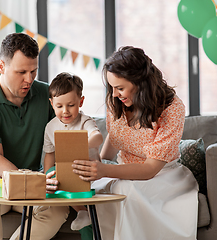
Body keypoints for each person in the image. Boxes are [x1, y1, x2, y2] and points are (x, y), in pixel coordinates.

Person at [72, 46, 199, 240]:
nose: (114, 94)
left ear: (140, 83)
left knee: (123, 190)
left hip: (162, 177)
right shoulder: (117, 101)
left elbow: (150, 169)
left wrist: (104, 170)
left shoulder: (172, 108)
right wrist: (98, 163)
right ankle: (90, 223)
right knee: (85, 189)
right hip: (123, 170)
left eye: (120, 88)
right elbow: (115, 138)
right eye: (111, 87)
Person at [0, 33, 69, 240]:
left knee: (58, 208)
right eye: (21, 72)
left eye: (33, 71)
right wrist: (32, 181)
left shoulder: (46, 95)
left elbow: (67, 134)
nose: (29, 79)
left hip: (32, 184)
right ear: (1, 66)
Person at [43, 72, 103, 239]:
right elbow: (49, 154)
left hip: (89, 171)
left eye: (71, 105)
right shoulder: (50, 127)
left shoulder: (85, 121)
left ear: (81, 102)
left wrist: (78, 144)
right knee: (53, 175)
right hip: (66, 174)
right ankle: (82, 212)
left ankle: (84, 212)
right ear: (52, 104)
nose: (65, 111)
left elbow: (98, 137)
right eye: (59, 106)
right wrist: (46, 177)